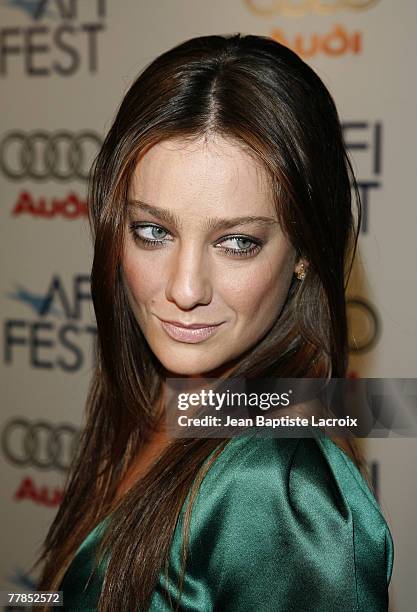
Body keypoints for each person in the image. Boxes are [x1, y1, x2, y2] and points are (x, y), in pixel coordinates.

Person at [33, 34, 393, 611]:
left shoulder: (281, 495)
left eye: (238, 242)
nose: (184, 289)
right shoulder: (161, 400)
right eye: (153, 231)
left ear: (304, 251)